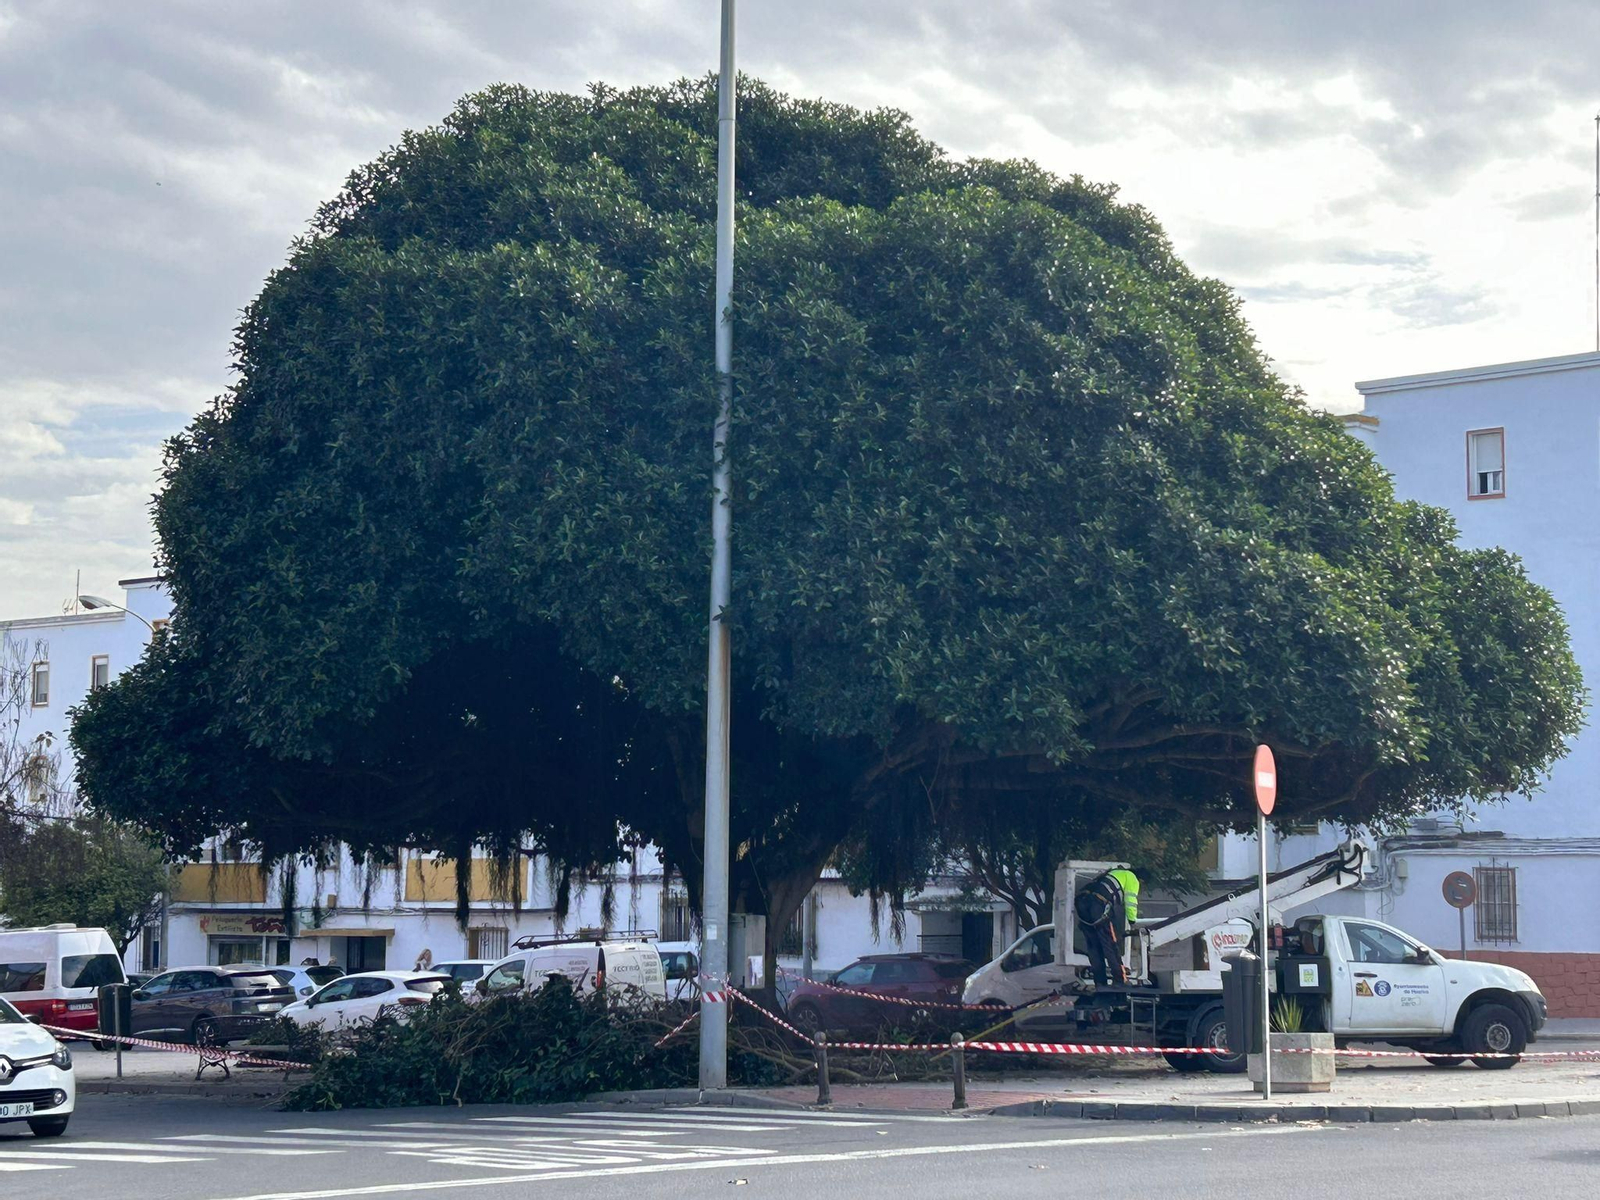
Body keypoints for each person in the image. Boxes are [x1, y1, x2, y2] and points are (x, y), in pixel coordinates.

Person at [1074, 866, 1140, 987]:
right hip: (1097, 904)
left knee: (1094, 947)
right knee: (1109, 944)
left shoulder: (1113, 873)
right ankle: (1120, 980)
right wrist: (1132, 920)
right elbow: (1131, 901)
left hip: (1082, 902)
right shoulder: (1131, 877)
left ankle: (1100, 982)